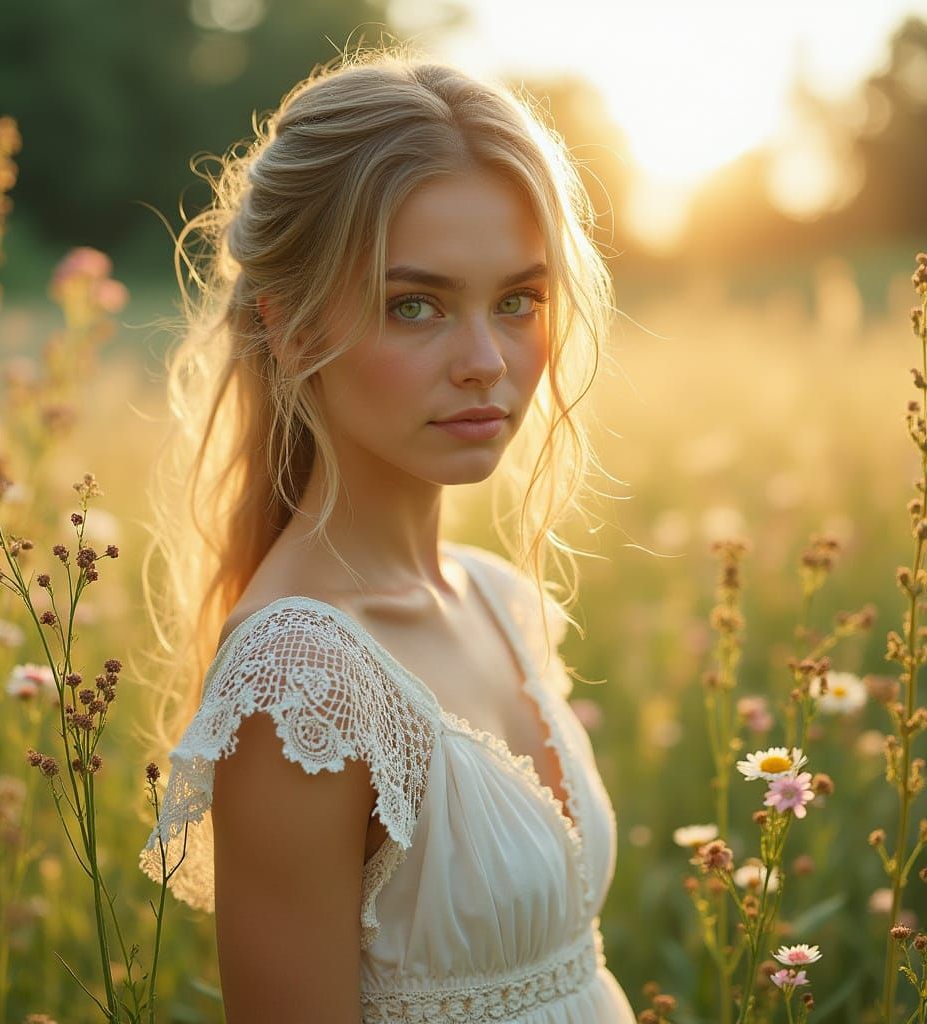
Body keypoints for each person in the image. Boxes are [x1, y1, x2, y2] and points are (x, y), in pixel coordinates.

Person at [139, 43, 635, 1023]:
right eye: (416, 305)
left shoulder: (497, 597)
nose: (486, 361)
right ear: (285, 325)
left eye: (518, 300)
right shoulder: (301, 679)